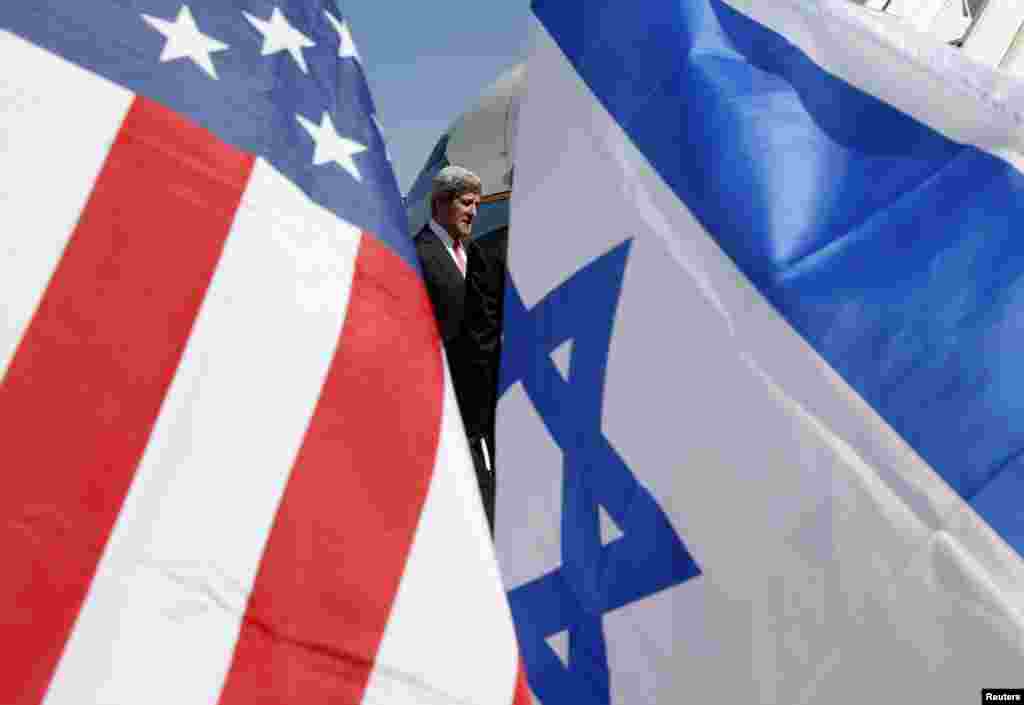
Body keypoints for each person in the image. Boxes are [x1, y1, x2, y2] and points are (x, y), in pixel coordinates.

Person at [414, 166, 502, 532]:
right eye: (467, 204)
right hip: (446, 401)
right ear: (441, 203)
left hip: (481, 400)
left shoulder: (473, 253)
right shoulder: (419, 254)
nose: (474, 213)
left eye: (478, 205)